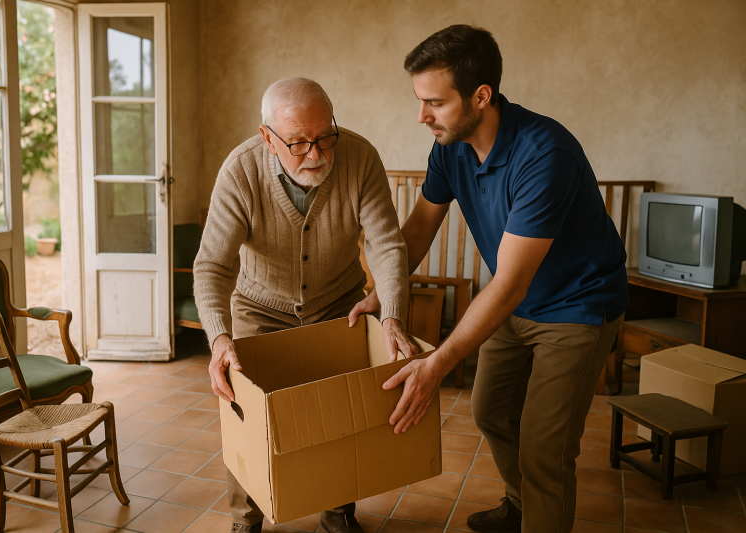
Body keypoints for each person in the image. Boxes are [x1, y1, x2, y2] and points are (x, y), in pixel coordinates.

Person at [348, 25, 628, 533]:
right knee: (491, 410)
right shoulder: (449, 148)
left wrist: (436, 363)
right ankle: (521, 506)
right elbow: (416, 232)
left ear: (481, 96)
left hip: (577, 308)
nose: (421, 116)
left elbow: (511, 284)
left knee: (546, 447)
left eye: (434, 102)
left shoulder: (546, 155)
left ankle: (539, 509)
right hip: (514, 304)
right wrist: (381, 295)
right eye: (419, 100)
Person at [193, 77, 418, 533]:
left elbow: (387, 248)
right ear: (267, 138)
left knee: (341, 414)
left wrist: (391, 316)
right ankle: (245, 519)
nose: (316, 154)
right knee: (248, 415)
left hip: (340, 303)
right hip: (259, 307)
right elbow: (212, 267)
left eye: (325, 137)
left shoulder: (360, 158)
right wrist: (219, 340)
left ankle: (337, 515)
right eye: (298, 143)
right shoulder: (240, 171)